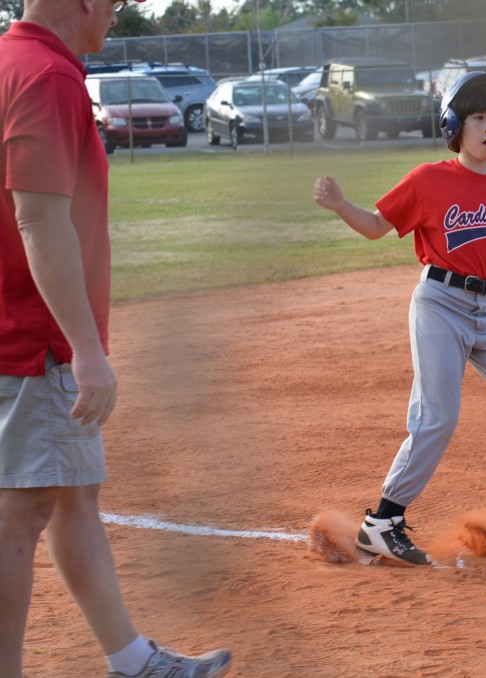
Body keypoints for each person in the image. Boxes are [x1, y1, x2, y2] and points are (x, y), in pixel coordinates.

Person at [0, 1, 232, 676]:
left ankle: (133, 662)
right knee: (22, 514)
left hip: (28, 327)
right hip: (35, 336)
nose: (118, 13)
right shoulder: (45, 73)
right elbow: (38, 218)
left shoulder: (18, 60)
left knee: (73, 494)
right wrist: (85, 349)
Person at [313, 72, 486, 566]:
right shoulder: (428, 179)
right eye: (479, 117)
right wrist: (340, 204)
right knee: (437, 416)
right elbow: (375, 226)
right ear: (456, 124)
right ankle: (382, 521)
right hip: (439, 305)